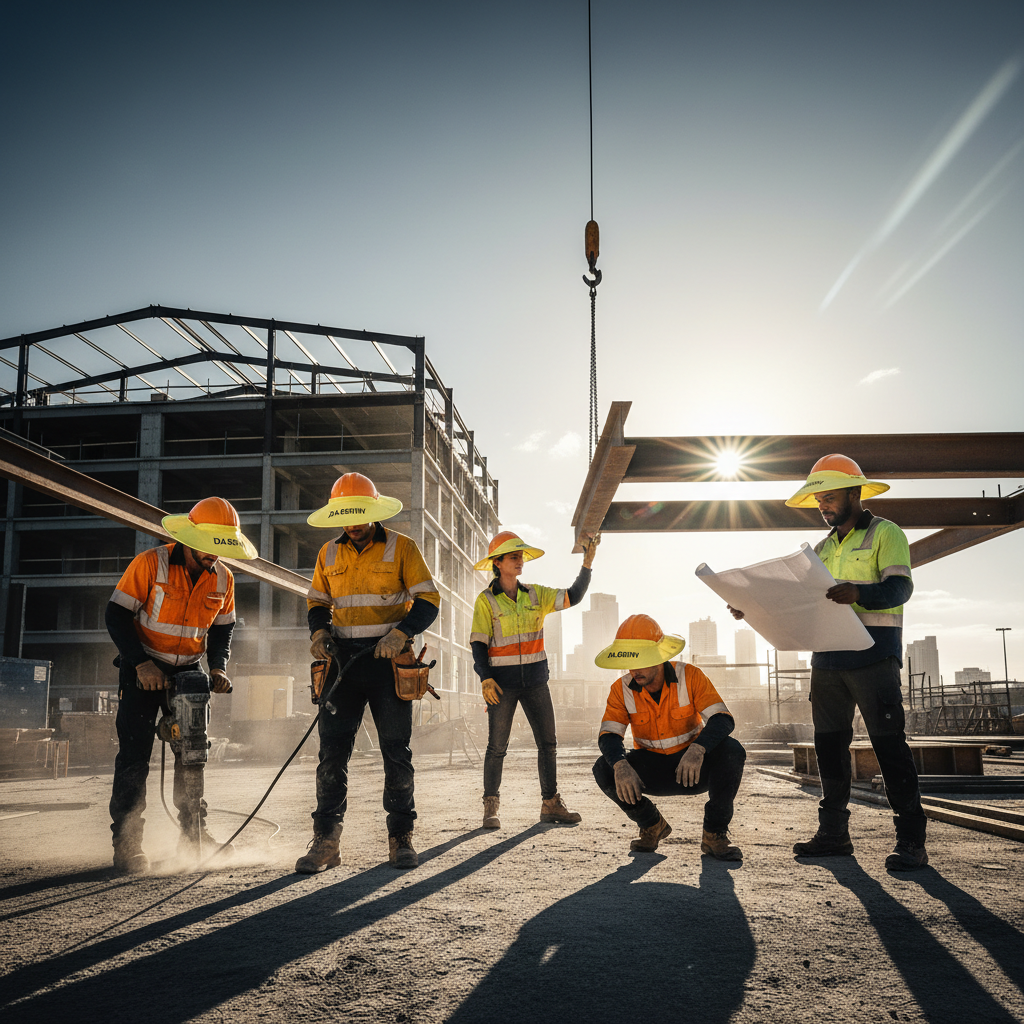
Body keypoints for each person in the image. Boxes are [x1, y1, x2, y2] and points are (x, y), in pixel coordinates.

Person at [728, 454, 927, 870]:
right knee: (829, 747)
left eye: (829, 497)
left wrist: (859, 593)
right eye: (819, 501)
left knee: (888, 746)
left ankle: (911, 841)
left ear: (854, 493)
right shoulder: (820, 548)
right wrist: (754, 609)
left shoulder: (885, 533)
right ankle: (834, 835)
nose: (823, 506)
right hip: (828, 661)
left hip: (874, 655)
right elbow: (801, 605)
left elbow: (900, 589)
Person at [105, 496, 256, 873]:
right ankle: (127, 844)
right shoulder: (150, 564)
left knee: (192, 758)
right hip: (142, 670)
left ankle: (194, 836)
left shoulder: (223, 577)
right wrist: (141, 664)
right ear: (190, 538)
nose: (214, 556)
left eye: (221, 549)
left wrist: (218, 668)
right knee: (134, 759)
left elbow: (223, 629)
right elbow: (116, 615)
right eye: (208, 548)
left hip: (189, 673)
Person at [298, 472, 440, 874]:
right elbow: (317, 603)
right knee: (331, 754)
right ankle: (326, 841)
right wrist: (319, 631)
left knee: (396, 752)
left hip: (387, 663)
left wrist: (402, 633)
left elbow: (429, 600)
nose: (353, 523)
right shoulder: (327, 554)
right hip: (342, 664)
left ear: (372, 511)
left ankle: (401, 838)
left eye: (359, 514)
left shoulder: (402, 548)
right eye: (345, 515)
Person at [470, 530, 599, 829]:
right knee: (497, 746)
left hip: (536, 682)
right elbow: (478, 643)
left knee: (548, 743)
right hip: (502, 685)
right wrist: (485, 678)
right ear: (498, 562)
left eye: (521, 557)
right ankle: (491, 807)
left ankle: (550, 803)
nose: (520, 561)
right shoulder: (486, 601)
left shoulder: (536, 595)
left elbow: (574, 595)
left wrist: (588, 563)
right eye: (514, 557)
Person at [592, 614, 745, 859]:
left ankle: (714, 835)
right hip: (652, 771)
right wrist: (621, 765)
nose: (634, 669)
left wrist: (698, 749)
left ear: (659, 657)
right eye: (631, 661)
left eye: (641, 661)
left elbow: (722, 719)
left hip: (693, 769)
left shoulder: (690, 676)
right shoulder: (620, 689)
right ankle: (651, 825)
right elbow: (608, 735)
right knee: (604, 768)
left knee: (732, 751)